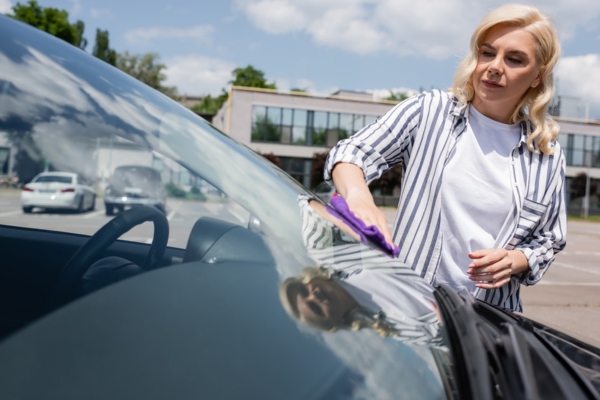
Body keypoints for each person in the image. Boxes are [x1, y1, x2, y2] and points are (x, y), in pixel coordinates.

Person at [324, 4, 566, 312]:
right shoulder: (429, 111)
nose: (494, 66)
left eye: (514, 59)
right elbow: (351, 153)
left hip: (489, 321)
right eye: (487, 53)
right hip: (406, 308)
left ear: (537, 76)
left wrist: (515, 260)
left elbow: (549, 239)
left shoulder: (546, 152)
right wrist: (358, 196)